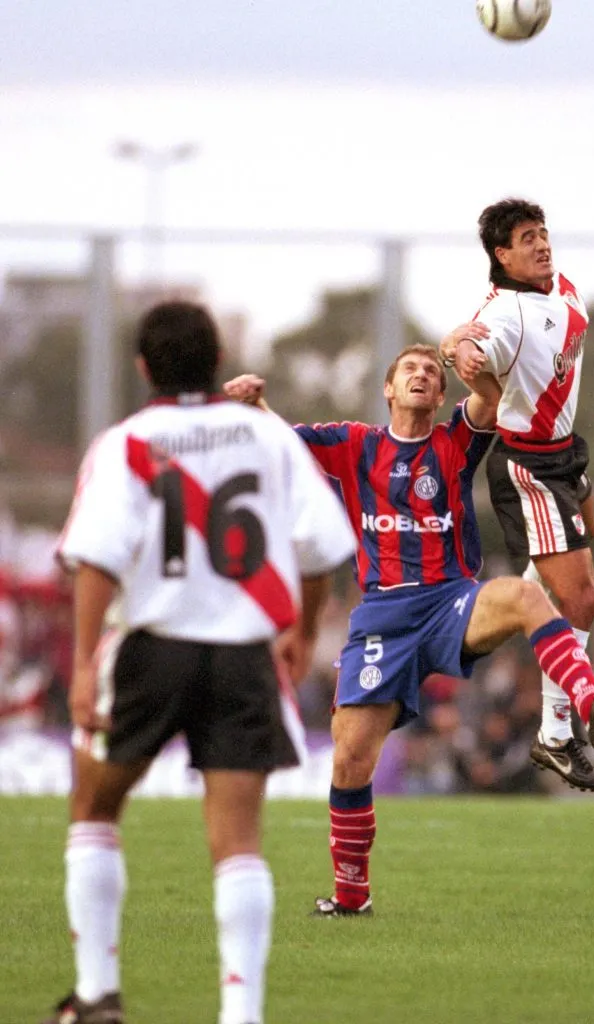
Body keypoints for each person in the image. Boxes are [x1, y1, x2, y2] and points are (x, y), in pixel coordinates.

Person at [224, 334, 594, 917]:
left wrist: (469, 362)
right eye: (409, 369)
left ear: (441, 394)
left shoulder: (454, 442)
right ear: (388, 388)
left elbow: (491, 405)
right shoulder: (354, 443)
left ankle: (587, 702)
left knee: (523, 594)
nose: (420, 374)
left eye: (429, 371)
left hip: (450, 601)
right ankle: (350, 898)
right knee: (349, 760)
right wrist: (253, 405)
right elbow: (281, 446)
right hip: (382, 619)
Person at [45, 300, 357, 1024]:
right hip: (243, 655)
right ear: (217, 361)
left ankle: (97, 998)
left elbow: (93, 559)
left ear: (143, 366)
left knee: (94, 810)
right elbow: (320, 547)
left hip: (151, 647)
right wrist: (303, 631)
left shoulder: (126, 442)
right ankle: (239, 1015)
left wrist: (89, 662)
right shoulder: (265, 437)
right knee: (237, 841)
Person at [439, 197, 594, 790]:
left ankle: (502, 617)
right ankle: (562, 728)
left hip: (564, 454)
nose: (541, 244)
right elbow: (474, 350)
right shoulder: (507, 316)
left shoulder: (566, 289)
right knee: (582, 602)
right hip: (528, 464)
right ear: (501, 255)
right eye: (526, 238)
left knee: (567, 572)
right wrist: (459, 348)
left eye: (543, 233)